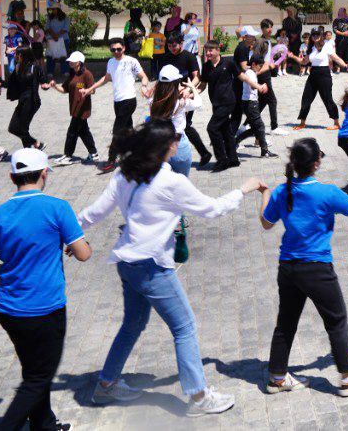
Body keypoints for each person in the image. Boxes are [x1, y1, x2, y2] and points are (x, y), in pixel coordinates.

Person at [79, 121, 264, 415]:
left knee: (132, 324)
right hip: (151, 268)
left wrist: (71, 232)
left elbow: (95, 212)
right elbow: (213, 209)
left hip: (127, 263)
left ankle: (106, 385)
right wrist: (243, 190)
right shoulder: (171, 181)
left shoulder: (124, 172)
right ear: (166, 145)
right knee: (184, 327)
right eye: (176, 137)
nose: (179, 141)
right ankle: (199, 397)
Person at [0, 148, 92, 431]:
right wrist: (79, 245)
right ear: (44, 173)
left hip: (10, 311)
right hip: (46, 309)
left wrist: (0, 270)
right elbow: (83, 254)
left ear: (11, 176)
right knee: (38, 378)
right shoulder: (57, 208)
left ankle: (44, 424)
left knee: (33, 369)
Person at [259, 138, 348, 397]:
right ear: (316, 163)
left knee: (286, 322)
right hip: (317, 269)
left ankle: (277, 378)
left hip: (288, 267)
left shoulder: (282, 191)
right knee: (336, 321)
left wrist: (264, 193)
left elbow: (266, 222)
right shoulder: (327, 192)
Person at [88, 37, 151, 166]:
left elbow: (144, 76)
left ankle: (111, 159)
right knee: (128, 129)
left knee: (117, 130)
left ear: (124, 48)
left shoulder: (131, 61)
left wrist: (144, 86)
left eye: (118, 49)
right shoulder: (111, 62)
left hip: (129, 100)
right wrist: (91, 88)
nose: (116, 52)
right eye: (113, 50)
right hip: (117, 101)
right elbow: (106, 78)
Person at [153, 32, 213, 163]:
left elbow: (197, 77)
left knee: (184, 125)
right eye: (169, 46)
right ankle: (199, 153)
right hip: (169, 95)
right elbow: (161, 79)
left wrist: (188, 89)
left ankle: (179, 155)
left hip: (185, 96)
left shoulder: (189, 57)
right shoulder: (165, 57)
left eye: (174, 45)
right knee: (179, 125)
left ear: (181, 43)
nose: (172, 48)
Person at [46, 50, 98, 166]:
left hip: (82, 109)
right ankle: (93, 153)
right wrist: (55, 86)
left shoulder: (87, 74)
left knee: (72, 133)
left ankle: (68, 155)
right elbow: (64, 89)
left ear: (79, 62)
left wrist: (86, 91)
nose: (70, 62)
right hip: (74, 108)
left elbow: (93, 90)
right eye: (70, 60)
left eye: (72, 61)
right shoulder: (72, 74)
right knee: (84, 132)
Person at [199, 40, 243, 171]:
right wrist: (192, 93)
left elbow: (242, 76)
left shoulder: (228, 63)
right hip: (216, 102)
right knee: (226, 131)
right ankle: (233, 159)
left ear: (218, 50)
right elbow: (203, 84)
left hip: (228, 101)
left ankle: (222, 160)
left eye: (210, 50)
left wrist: (256, 86)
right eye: (206, 50)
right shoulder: (206, 66)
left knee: (212, 128)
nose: (208, 53)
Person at [293, 30, 348, 129]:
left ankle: (336, 123)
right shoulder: (311, 48)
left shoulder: (326, 46)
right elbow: (304, 62)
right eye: (313, 35)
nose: (315, 36)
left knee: (327, 99)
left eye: (317, 35)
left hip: (324, 74)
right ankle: (302, 123)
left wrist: (345, 65)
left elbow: (336, 58)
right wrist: (292, 56)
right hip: (313, 74)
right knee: (306, 98)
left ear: (321, 36)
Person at [6, 46, 45, 151]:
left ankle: (30, 149)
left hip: (32, 101)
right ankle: (35, 145)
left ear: (22, 55)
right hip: (23, 101)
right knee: (13, 128)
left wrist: (45, 85)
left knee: (22, 128)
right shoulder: (18, 66)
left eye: (17, 54)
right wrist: (0, 83)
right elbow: (11, 82)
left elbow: (43, 80)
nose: (15, 56)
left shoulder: (34, 67)